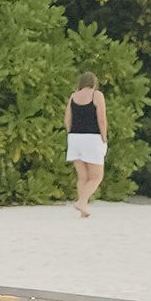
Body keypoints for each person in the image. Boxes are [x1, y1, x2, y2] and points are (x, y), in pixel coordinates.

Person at [64, 73, 110, 217]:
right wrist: (104, 137)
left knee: (83, 177)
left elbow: (67, 119)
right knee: (96, 177)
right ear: (94, 83)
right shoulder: (97, 95)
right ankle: (82, 202)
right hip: (92, 138)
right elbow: (101, 118)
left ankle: (83, 209)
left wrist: (72, 134)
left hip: (74, 138)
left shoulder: (73, 96)